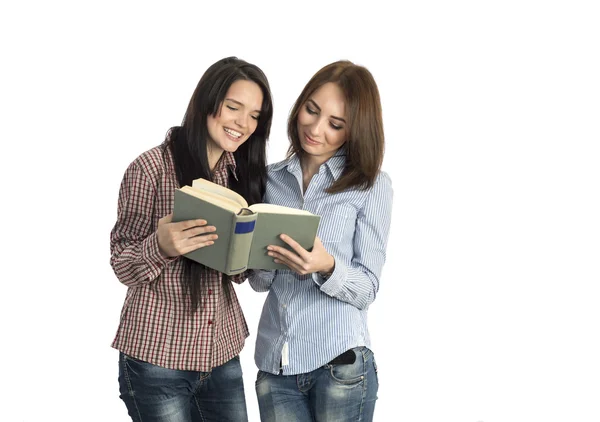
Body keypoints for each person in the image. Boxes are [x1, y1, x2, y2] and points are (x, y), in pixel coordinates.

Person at [110, 56, 273, 422]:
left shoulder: (239, 177)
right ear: (206, 103)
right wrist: (161, 246)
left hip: (221, 353)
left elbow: (237, 275)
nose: (242, 124)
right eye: (233, 107)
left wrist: (252, 251)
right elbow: (121, 262)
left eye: (254, 116)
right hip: (157, 359)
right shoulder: (150, 168)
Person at [248, 60, 393, 422]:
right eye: (311, 110)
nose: (315, 128)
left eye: (335, 124)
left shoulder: (370, 185)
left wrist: (326, 266)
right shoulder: (270, 180)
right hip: (275, 367)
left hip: (340, 365)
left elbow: (367, 289)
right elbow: (260, 282)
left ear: (353, 130)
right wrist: (260, 258)